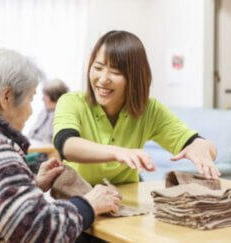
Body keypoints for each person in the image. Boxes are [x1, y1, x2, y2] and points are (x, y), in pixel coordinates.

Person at [0, 48, 121, 242]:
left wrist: (33, 184)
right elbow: (40, 233)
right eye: (30, 99)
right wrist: (89, 204)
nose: (30, 111)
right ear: (6, 97)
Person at [53, 30, 220, 186]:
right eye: (97, 68)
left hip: (126, 198)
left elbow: (197, 144)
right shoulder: (71, 101)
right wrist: (118, 152)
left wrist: (202, 147)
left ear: (134, 77)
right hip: (79, 197)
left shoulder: (149, 109)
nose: (103, 79)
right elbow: (67, 145)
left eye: (116, 72)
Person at [28, 79, 69, 143]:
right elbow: (31, 134)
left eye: (45, 96)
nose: (42, 99)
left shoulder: (64, 116)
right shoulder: (44, 112)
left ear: (53, 96)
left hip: (45, 151)